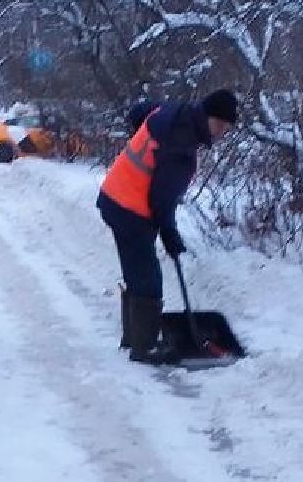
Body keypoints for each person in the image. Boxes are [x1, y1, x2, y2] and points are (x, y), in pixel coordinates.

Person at [97, 89, 239, 364]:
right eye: (220, 125)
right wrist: (169, 234)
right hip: (130, 208)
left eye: (226, 128)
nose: (221, 132)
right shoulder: (181, 146)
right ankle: (144, 348)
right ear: (207, 116)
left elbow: (138, 111)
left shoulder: (173, 112)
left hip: (115, 197)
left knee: (136, 270)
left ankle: (133, 337)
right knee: (148, 278)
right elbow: (161, 199)